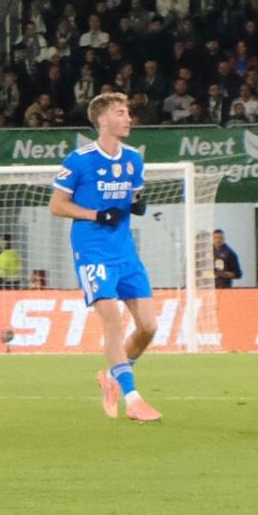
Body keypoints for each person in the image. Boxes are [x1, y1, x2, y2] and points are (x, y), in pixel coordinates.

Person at [48, 92, 162, 423]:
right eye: (121, 112)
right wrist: (96, 215)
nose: (129, 118)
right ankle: (133, 398)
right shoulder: (79, 159)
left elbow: (133, 196)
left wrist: (136, 205)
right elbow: (57, 206)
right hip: (92, 250)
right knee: (113, 322)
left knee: (149, 327)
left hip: (124, 250)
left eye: (128, 113)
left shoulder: (133, 159)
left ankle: (111, 376)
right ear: (102, 119)